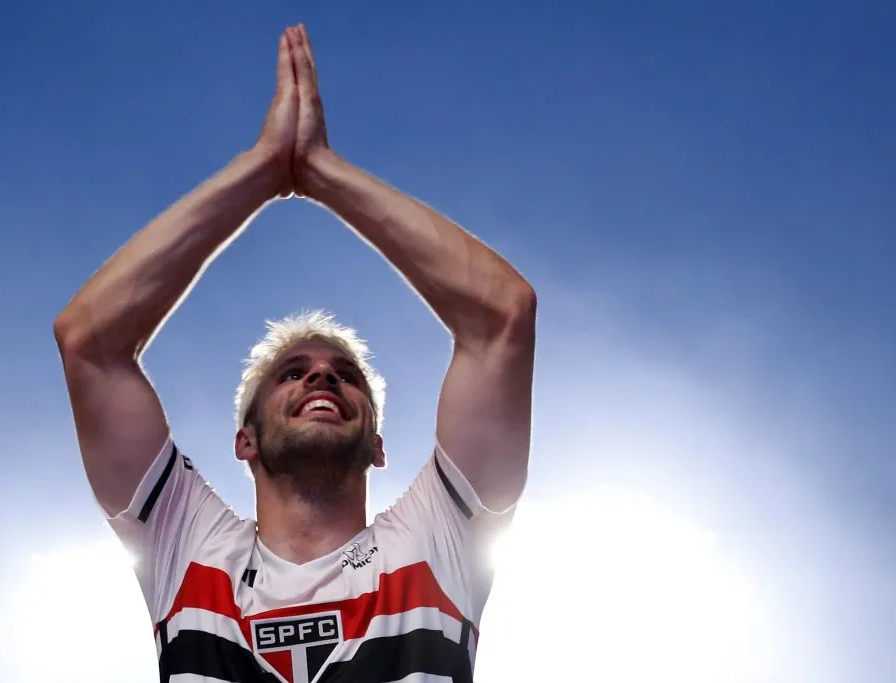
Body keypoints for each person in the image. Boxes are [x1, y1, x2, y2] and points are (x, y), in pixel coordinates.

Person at [54, 23, 536, 683]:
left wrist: (320, 172)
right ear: (244, 440)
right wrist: (263, 167)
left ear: (377, 445)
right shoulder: (190, 547)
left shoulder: (439, 539)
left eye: (347, 377)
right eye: (294, 371)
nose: (323, 376)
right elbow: (88, 341)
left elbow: (503, 317)